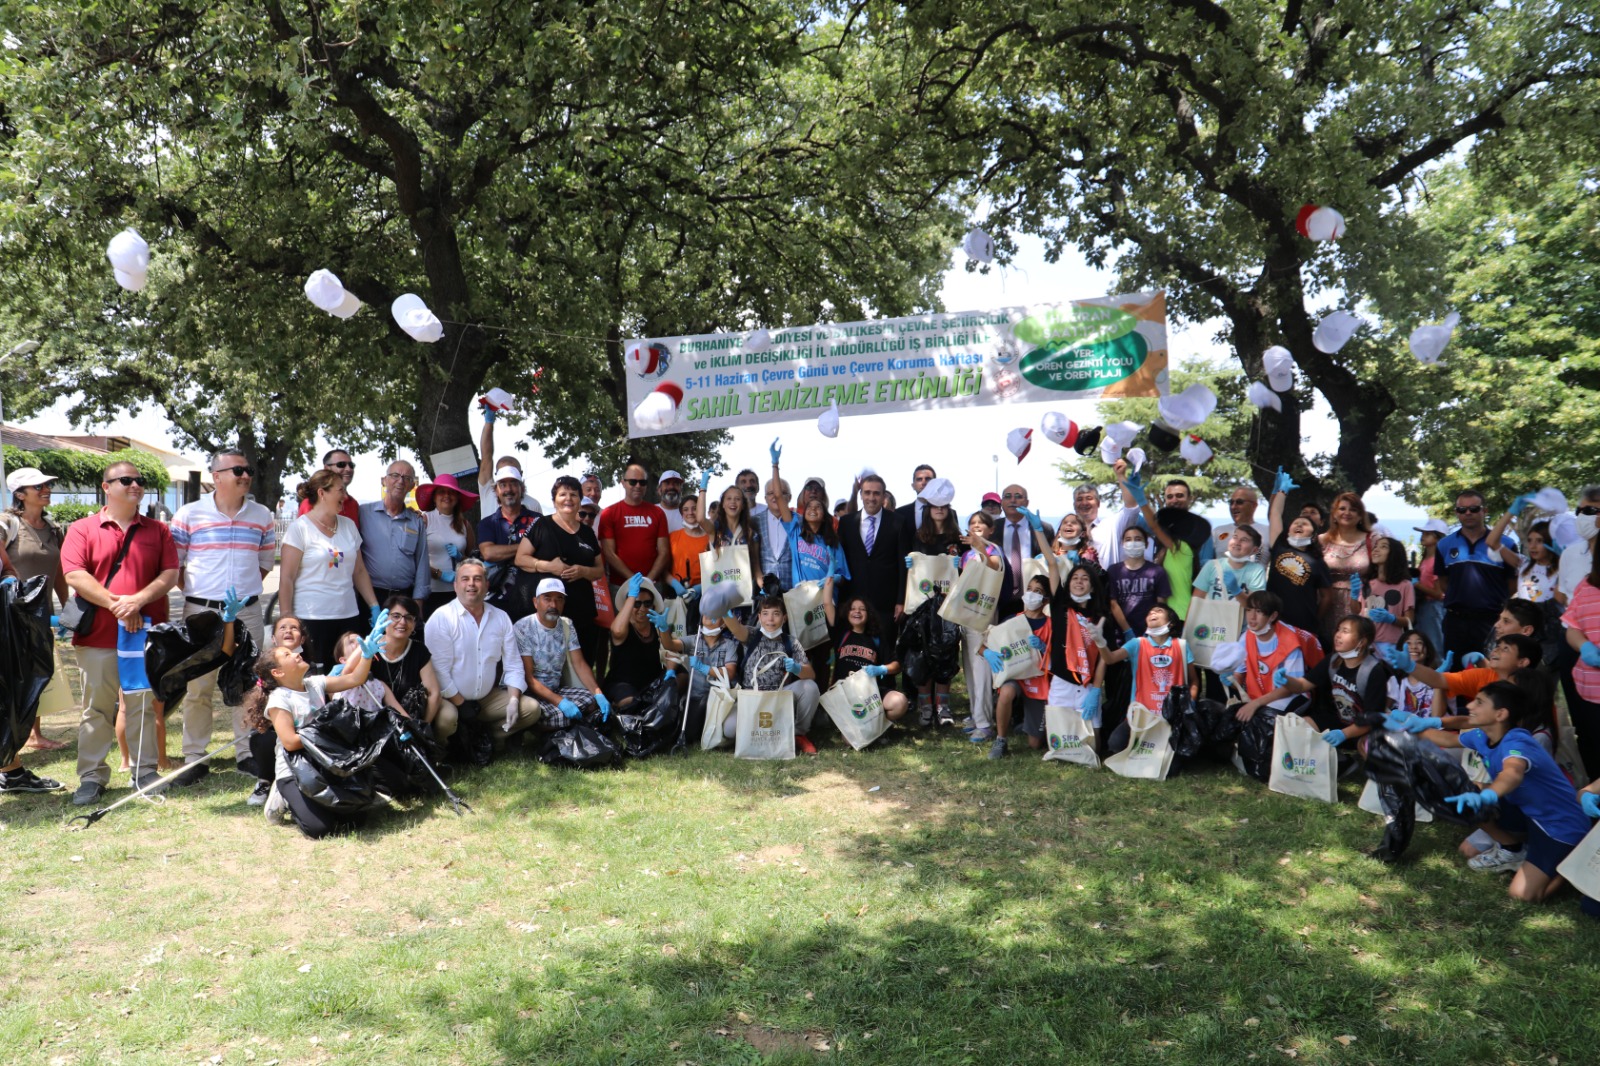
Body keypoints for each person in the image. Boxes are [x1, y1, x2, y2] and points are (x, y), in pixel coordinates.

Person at [1408, 682, 1595, 905]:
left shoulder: (1518, 741)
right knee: (1467, 843)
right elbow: (1449, 739)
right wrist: (1412, 729)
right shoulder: (1482, 735)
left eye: (1479, 702)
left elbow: (1513, 773)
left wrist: (1488, 795)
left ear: (1500, 714)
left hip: (1559, 825)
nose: (1469, 705)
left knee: (1522, 895)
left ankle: (1572, 861)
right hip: (1526, 813)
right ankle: (1513, 848)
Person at [61, 460, 180, 807]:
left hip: (144, 637)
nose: (135, 485)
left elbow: (170, 573)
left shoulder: (158, 531)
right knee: (96, 710)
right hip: (97, 637)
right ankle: (91, 777)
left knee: (143, 704)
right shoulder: (82, 529)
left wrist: (139, 601)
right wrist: (119, 606)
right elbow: (74, 575)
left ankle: (144, 772)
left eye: (138, 481)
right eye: (125, 480)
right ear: (106, 487)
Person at [168, 448, 277, 786]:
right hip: (201, 611)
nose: (245, 476)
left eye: (248, 471)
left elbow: (263, 565)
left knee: (246, 683)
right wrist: (204, 598)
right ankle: (195, 758)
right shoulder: (188, 514)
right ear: (216, 476)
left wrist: (240, 595)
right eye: (238, 471)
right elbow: (177, 566)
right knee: (198, 685)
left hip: (247, 611)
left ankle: (246, 753)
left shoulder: (262, 516)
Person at [243, 613, 394, 838]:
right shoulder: (279, 700)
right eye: (287, 654)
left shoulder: (314, 683)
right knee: (320, 829)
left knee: (357, 819)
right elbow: (291, 743)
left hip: (325, 761)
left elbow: (354, 679)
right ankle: (282, 796)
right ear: (278, 672)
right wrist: (325, 730)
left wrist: (366, 654)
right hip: (295, 769)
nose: (294, 654)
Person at [424, 560, 545, 743]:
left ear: (487, 585)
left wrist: (513, 700)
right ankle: (444, 751)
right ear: (455, 585)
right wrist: (461, 704)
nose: (471, 584)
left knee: (530, 708)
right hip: (449, 699)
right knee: (447, 719)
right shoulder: (442, 618)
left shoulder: (501, 617)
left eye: (477, 579)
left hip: (486, 699)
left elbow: (513, 664)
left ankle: (487, 738)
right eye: (465, 579)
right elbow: (438, 671)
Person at [279, 470, 381, 670]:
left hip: (348, 616)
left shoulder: (349, 526)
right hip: (312, 619)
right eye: (340, 490)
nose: (345, 496)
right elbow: (287, 579)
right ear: (322, 493)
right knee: (315, 680)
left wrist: (374, 605)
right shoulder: (299, 529)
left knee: (349, 676)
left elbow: (359, 571)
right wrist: (286, 621)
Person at [2, 466, 71, 752]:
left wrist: (69, 609)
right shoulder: (7, 524)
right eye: (38, 486)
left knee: (38, 672)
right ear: (20, 494)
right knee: (10, 674)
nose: (46, 489)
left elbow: (61, 573)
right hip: (10, 616)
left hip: (42, 613)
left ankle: (34, 735)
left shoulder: (54, 529)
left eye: (47, 485)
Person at [718, 591, 822, 754]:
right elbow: (736, 629)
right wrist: (724, 611)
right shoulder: (752, 635)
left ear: (784, 618)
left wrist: (797, 668)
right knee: (730, 730)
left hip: (779, 698)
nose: (770, 619)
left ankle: (798, 733)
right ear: (759, 618)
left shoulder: (791, 642)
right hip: (752, 698)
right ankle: (765, 732)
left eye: (776, 614)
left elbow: (811, 674)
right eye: (765, 614)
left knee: (810, 687)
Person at [517, 475, 607, 664]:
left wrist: (583, 571)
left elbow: (599, 570)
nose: (568, 498)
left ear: (580, 500)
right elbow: (521, 558)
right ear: (554, 500)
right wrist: (549, 566)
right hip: (550, 612)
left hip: (581, 611)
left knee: (582, 664)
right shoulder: (542, 525)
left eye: (573, 494)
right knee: (549, 666)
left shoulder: (588, 532)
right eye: (562, 494)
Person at [986, 573, 1071, 759]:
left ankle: (1024, 724)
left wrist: (1043, 648)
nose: (1032, 594)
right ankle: (1001, 740)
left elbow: (1058, 659)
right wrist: (986, 652)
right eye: (1030, 589)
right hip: (1016, 676)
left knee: (1034, 745)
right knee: (1006, 692)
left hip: (1038, 683)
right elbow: (987, 640)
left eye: (1038, 591)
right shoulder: (1012, 620)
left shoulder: (1051, 626)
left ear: (1046, 600)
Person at [512, 578, 609, 729]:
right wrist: (560, 702)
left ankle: (558, 724)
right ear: (535, 602)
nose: (553, 605)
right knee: (544, 712)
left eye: (559, 599)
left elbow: (580, 664)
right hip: (531, 693)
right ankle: (548, 725)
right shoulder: (523, 627)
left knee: (592, 701)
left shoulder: (566, 624)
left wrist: (598, 693)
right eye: (547, 599)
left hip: (555, 689)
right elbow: (529, 679)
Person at [1100, 603, 1197, 753]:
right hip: (1141, 716)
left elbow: (1194, 680)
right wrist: (1100, 642)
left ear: (1170, 623)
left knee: (1174, 762)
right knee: (1115, 745)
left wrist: (1189, 704)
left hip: (1170, 717)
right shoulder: (1137, 644)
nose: (1152, 613)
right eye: (1150, 612)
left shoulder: (1182, 646)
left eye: (1158, 611)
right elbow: (1110, 659)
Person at [1437, 489, 1513, 665]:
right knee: (1455, 675)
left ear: (1484, 511)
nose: (1468, 513)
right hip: (1456, 622)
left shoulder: (1506, 544)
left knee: (1491, 673)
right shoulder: (1444, 545)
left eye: (1474, 508)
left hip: (1491, 621)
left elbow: (1512, 584)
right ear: (1457, 513)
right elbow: (1443, 583)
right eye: (1462, 510)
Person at [823, 593, 910, 734]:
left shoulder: (877, 639)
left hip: (870, 694)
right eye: (853, 608)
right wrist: (830, 577)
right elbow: (827, 603)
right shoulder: (841, 634)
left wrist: (881, 669)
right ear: (847, 612)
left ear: (868, 614)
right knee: (849, 741)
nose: (857, 611)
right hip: (845, 695)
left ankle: (878, 727)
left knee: (900, 702)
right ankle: (869, 730)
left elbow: (897, 665)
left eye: (862, 609)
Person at [1264, 470, 1333, 640]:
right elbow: (1275, 514)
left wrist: (1316, 618)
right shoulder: (1279, 546)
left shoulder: (1318, 562)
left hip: (1303, 624)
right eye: (1296, 523)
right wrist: (1282, 491)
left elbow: (1327, 596)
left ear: (1313, 534)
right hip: (1273, 620)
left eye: (1305, 524)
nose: (1299, 525)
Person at [954, 510, 1004, 735]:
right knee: (971, 670)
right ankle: (976, 716)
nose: (975, 526)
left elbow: (993, 567)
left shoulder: (994, 550)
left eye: (980, 524)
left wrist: (980, 546)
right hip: (966, 617)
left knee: (982, 670)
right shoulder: (966, 555)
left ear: (990, 529)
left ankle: (985, 725)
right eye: (972, 523)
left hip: (983, 618)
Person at [1226, 591, 1311, 725]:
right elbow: (1239, 675)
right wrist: (1231, 680)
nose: (1252, 617)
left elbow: (1292, 688)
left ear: (1273, 616)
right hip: (1259, 696)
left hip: (1289, 696)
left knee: (1262, 721)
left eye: (1259, 611)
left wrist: (1255, 704)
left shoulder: (1290, 642)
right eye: (1249, 610)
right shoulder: (1246, 637)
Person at [357, 460, 430, 608]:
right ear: (384, 481)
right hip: (370, 597)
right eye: (395, 475)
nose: (400, 481)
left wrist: (418, 602)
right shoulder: (363, 513)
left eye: (407, 478)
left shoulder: (416, 521)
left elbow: (422, 562)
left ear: (411, 486)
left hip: (404, 597)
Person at [606, 574, 684, 705]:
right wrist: (631, 597)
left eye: (647, 603)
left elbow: (670, 650)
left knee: (681, 674)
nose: (642, 608)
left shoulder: (657, 625)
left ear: (653, 606)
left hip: (651, 682)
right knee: (629, 701)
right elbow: (617, 631)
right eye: (637, 604)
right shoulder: (624, 627)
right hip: (623, 683)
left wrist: (670, 670)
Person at [368, 594, 442, 728]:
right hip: (373, 715)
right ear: (384, 619)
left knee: (448, 717)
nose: (402, 622)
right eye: (396, 616)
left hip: (411, 715)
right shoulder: (371, 646)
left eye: (409, 618)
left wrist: (422, 728)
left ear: (414, 625)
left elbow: (433, 693)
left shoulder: (419, 649)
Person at [1560, 549, 1600, 786]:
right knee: (1592, 744)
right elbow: (1572, 626)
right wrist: (1584, 645)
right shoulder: (1586, 586)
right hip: (1589, 689)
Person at [415, 473, 479, 618]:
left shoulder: (465, 524)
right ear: (434, 497)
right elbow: (416, 559)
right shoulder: (425, 520)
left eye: (451, 492)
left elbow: (471, 560)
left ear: (457, 497)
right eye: (442, 492)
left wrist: (460, 557)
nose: (447, 496)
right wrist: (439, 574)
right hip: (430, 592)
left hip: (459, 593)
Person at [477, 464, 539, 610]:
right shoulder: (487, 523)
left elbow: (545, 552)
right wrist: (528, 547)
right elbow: (488, 553)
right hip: (496, 602)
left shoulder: (539, 521)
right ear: (496, 491)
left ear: (521, 488)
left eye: (513, 484)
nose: (508, 490)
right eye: (503, 485)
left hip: (532, 599)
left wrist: (505, 552)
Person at [599, 463, 672, 587]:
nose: (638, 486)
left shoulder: (658, 513)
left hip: (652, 583)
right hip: (621, 585)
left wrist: (648, 581)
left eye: (642, 482)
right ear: (623, 483)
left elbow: (664, 552)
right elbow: (609, 553)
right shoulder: (609, 513)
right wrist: (634, 580)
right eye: (633, 482)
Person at [1317, 492, 1372, 642]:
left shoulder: (1372, 540)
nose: (1347, 513)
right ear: (1334, 514)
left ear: (1360, 516)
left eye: (1353, 509)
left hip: (1359, 602)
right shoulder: (1321, 541)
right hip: (1326, 602)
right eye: (1342, 508)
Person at [682, 608, 742, 745]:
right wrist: (663, 629)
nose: (709, 615)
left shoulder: (729, 645)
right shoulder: (694, 640)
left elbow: (730, 672)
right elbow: (670, 645)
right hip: (695, 696)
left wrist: (704, 668)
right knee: (691, 735)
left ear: (724, 623)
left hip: (719, 697)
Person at [1105, 523, 1170, 639]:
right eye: (1128, 539)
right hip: (1121, 633)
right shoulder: (1113, 570)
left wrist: (1152, 629)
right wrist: (1127, 630)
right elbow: (1113, 604)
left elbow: (1161, 604)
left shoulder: (1157, 571)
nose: (1133, 543)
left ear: (1146, 544)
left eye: (1138, 539)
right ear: (1123, 544)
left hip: (1150, 632)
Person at [475, 409, 543, 515]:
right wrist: (489, 422)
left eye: (513, 479)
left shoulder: (533, 505)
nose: (508, 488)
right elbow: (486, 457)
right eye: (503, 480)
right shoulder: (489, 492)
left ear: (521, 475)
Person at [1356, 535, 1415, 647]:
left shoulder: (1405, 585)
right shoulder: (1367, 582)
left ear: (1394, 554)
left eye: (1383, 547)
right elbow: (1357, 611)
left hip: (1391, 644)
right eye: (1375, 546)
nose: (1376, 549)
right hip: (1366, 643)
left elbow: (1409, 620)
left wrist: (1391, 619)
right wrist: (1353, 596)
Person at [1192, 525, 1267, 604]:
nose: (1237, 542)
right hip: (1212, 615)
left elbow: (1255, 606)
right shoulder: (1211, 565)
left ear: (1254, 550)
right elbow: (1196, 601)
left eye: (1244, 540)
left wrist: (1237, 591)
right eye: (1235, 537)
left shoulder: (1257, 571)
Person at [757, 441, 796, 592]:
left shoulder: (798, 521)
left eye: (780, 493)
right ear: (765, 498)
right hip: (765, 593)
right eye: (770, 493)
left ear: (789, 497)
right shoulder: (754, 522)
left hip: (793, 590)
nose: (775, 497)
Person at [1206, 485, 1270, 566]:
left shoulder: (1268, 532)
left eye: (1239, 502)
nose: (1233, 506)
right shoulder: (1217, 531)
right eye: (1231, 502)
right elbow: (1207, 563)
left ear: (1254, 505)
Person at [1413, 516, 1449, 652]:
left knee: (1435, 645)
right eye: (1423, 533)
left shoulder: (1436, 561)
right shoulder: (1427, 559)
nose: (1423, 536)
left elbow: (1439, 594)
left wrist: (1416, 585)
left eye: (1428, 534)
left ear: (1438, 538)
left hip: (1433, 608)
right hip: (1424, 607)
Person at [296, 449, 360, 521]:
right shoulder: (312, 503)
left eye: (351, 465)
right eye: (341, 464)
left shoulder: (353, 504)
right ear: (327, 468)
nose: (348, 469)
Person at [669, 494, 708, 591]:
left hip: (705, 592)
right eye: (685, 509)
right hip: (678, 593)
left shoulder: (709, 538)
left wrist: (702, 588)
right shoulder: (672, 537)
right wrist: (674, 583)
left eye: (694, 508)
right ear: (681, 514)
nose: (690, 512)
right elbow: (664, 570)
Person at [895, 464, 937, 534]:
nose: (923, 483)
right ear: (913, 486)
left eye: (928, 479)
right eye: (919, 479)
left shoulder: (949, 514)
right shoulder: (899, 514)